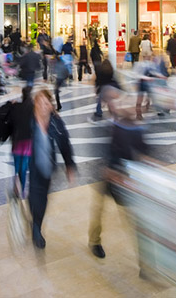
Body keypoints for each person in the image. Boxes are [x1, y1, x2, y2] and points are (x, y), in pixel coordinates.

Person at [88, 91, 149, 260]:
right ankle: (94, 241)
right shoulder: (113, 126)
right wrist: (111, 171)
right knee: (99, 211)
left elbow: (144, 150)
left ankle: (145, 260)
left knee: (134, 218)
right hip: (108, 176)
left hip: (127, 179)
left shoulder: (135, 127)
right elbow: (105, 152)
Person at [29, 90, 76, 249]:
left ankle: (36, 221)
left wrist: (69, 164)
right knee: (35, 195)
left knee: (42, 198)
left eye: (46, 103)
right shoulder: (28, 121)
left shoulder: (56, 122)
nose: (42, 106)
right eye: (39, 103)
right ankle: (36, 228)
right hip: (32, 165)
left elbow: (64, 143)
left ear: (51, 105)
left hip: (48, 166)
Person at [4, 87, 34, 194]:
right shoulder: (33, 108)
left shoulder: (16, 107)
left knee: (16, 164)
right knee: (24, 165)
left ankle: (16, 180)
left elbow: (7, 118)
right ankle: (22, 186)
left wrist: (11, 104)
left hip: (16, 141)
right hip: (28, 142)